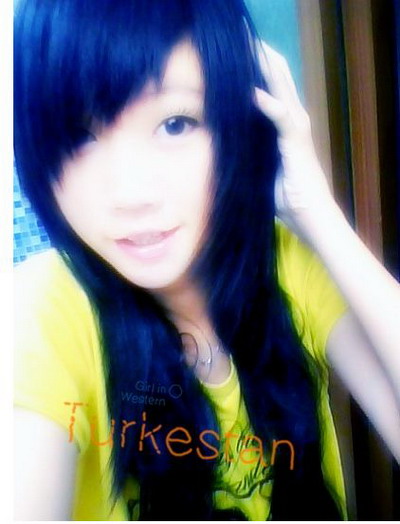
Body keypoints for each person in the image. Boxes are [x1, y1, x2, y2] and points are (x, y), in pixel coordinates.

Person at [13, 0, 400, 520]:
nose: (130, 195)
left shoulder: (285, 264)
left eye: (176, 124)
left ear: (235, 124)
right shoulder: (42, 316)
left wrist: (315, 208)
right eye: (82, 135)